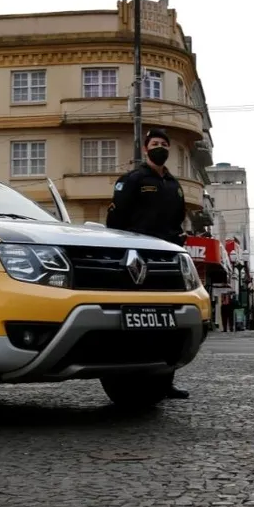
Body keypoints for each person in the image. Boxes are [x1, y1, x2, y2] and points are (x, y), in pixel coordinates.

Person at [106, 128, 190, 399]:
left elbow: (178, 218)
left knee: (169, 323)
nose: (160, 148)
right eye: (155, 144)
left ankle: (165, 383)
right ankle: (126, 381)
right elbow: (115, 221)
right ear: (145, 149)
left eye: (164, 144)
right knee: (137, 322)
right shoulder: (133, 179)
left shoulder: (174, 185)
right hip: (137, 260)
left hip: (166, 258)